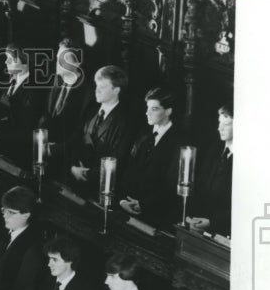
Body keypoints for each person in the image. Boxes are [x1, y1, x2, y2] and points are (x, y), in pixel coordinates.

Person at [119, 88, 187, 228]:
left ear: (168, 111)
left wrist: (143, 205)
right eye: (148, 108)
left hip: (155, 216)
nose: (147, 113)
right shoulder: (144, 134)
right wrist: (123, 200)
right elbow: (129, 169)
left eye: (154, 109)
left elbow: (171, 185)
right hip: (128, 207)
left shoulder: (180, 142)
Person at [69, 65, 135, 194]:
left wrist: (87, 174)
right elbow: (76, 139)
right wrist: (73, 167)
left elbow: (118, 158)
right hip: (75, 178)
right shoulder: (91, 110)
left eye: (102, 87)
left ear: (116, 90)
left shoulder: (125, 121)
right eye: (96, 85)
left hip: (101, 187)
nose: (97, 90)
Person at [38, 38, 92, 179]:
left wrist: (54, 149)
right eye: (57, 58)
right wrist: (42, 140)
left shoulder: (88, 92)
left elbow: (81, 130)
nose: (58, 63)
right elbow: (47, 114)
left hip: (67, 156)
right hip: (45, 147)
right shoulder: (56, 81)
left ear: (77, 63)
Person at [0, 42, 46, 168]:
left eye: (11, 60)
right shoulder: (9, 82)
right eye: (6, 59)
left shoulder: (34, 89)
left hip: (18, 152)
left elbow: (25, 125)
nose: (6, 63)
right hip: (1, 145)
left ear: (26, 62)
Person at [188, 104, 233, 237]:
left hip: (223, 234)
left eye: (226, 124)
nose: (219, 128)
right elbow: (200, 186)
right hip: (198, 226)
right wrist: (192, 216)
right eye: (220, 123)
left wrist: (212, 222)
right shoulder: (214, 151)